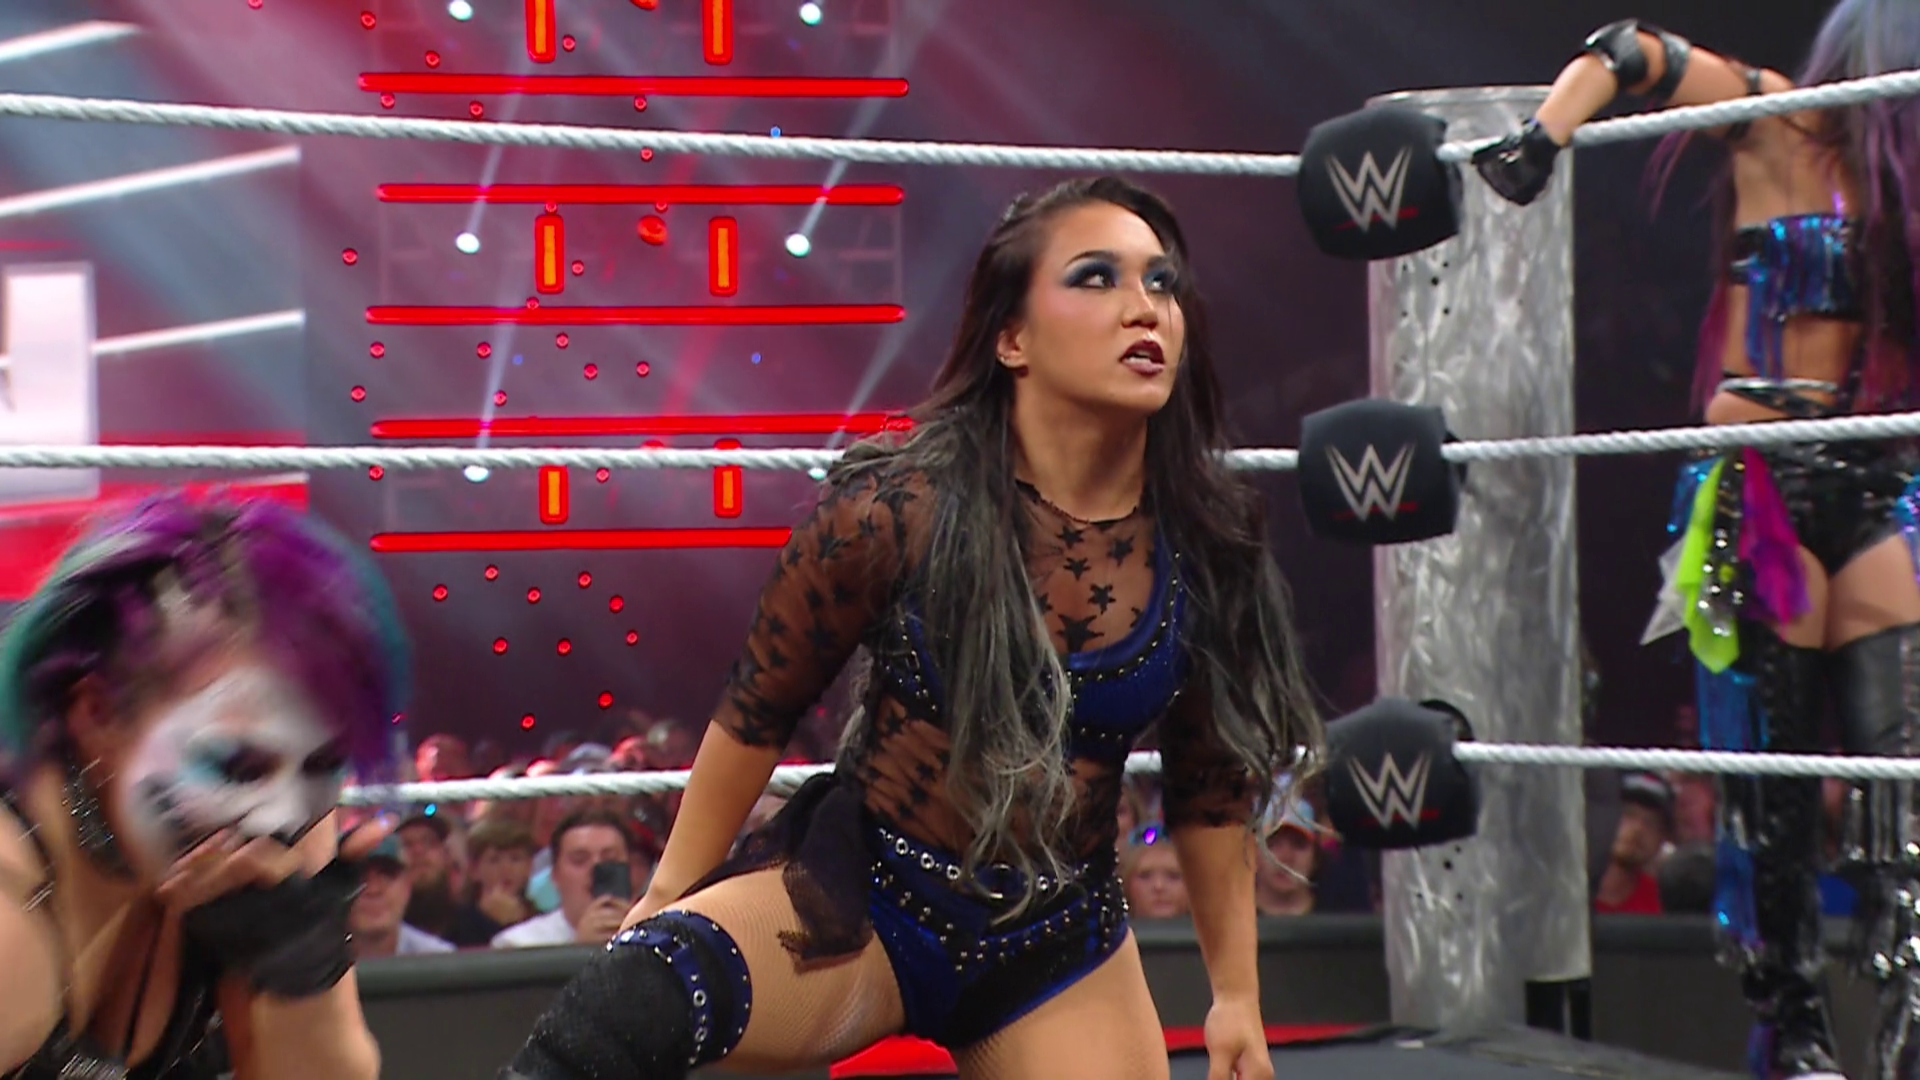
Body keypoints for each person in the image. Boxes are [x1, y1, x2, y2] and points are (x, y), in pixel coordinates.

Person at [498, 175, 1320, 1080]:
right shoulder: (899, 507)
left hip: (1057, 940)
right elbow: (759, 706)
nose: (1145, 308)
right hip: (869, 896)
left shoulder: (1206, 542)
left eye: (1162, 282)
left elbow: (1209, 783)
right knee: (621, 1011)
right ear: (1012, 338)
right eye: (1097, 277)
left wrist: (1235, 996)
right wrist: (665, 895)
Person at [1473, 5, 1920, 1076]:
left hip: (1878, 478)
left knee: (1902, 774)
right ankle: (1792, 1027)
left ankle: (1910, 1012)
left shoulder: (1905, 189)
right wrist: (1544, 139)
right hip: (1757, 484)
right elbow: (1632, 51)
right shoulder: (1777, 118)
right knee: (1769, 785)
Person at [0, 493, 409, 1079]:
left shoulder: (291, 833)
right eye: (238, 767)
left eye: (323, 764)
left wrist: (302, 970)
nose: (281, 814)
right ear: (97, 714)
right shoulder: (10, 912)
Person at [491, 809, 634, 949]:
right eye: (579, 860)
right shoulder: (516, 944)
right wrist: (581, 951)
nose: (595, 869)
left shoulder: (647, 935)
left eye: (610, 859)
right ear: (555, 875)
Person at [1593, 772, 1672, 916]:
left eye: (1651, 823)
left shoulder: (1664, 904)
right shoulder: (1568, 887)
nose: (1638, 829)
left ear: (1663, 839)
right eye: (1629, 814)